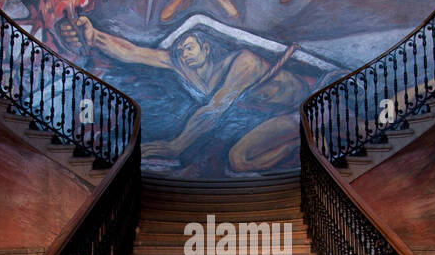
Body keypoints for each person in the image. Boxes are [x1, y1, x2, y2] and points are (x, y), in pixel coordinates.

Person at [70, 18, 316, 174]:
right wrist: (95, 37)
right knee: (239, 161)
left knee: (238, 159)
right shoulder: (183, 64)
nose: (183, 54)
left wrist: (175, 145)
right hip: (267, 116)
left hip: (299, 109)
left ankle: (304, 142)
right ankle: (300, 144)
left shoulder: (244, 62)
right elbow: (134, 52)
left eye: (189, 47)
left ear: (206, 48)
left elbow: (215, 108)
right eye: (179, 50)